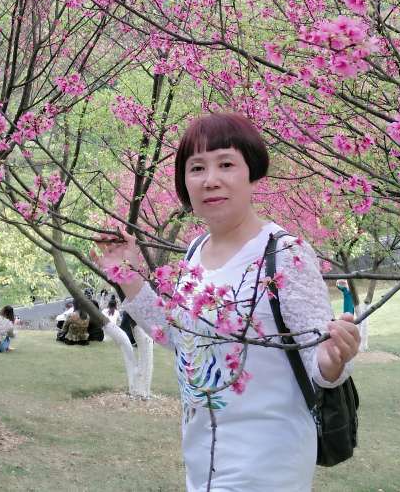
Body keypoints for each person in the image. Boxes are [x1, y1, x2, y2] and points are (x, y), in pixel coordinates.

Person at [97, 111, 360, 492]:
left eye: (226, 164)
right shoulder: (195, 252)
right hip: (204, 459)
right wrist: (125, 273)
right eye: (197, 168)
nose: (210, 180)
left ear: (251, 172)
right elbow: (180, 338)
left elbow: (318, 364)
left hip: (268, 464)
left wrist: (335, 358)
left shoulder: (285, 254)